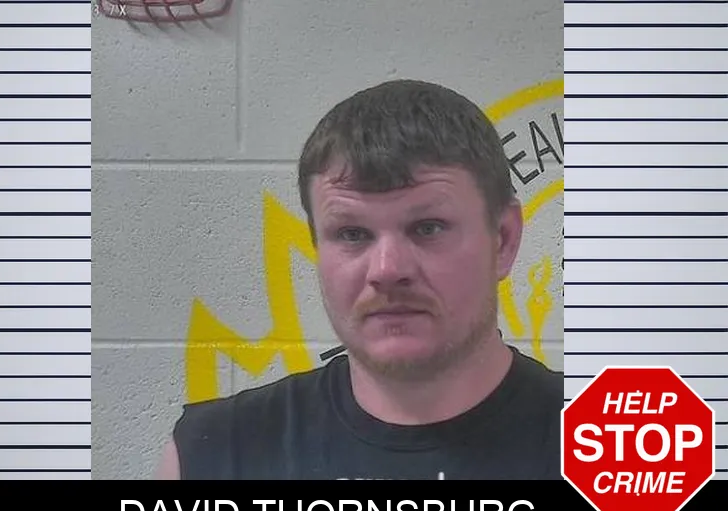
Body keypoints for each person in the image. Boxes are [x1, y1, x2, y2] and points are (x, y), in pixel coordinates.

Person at [155, 79, 563, 480]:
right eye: (352, 234)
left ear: (503, 240)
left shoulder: (598, 448)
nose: (387, 269)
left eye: (428, 228)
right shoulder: (215, 454)